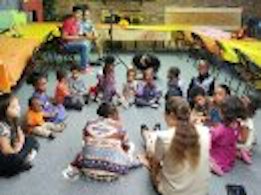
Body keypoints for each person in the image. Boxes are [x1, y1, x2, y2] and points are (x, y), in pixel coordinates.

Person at [141, 97, 210, 195]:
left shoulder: (164, 137)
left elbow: (155, 167)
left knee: (151, 151)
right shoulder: (205, 131)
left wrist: (149, 164)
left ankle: (147, 135)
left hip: (173, 192)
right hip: (201, 192)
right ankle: (149, 135)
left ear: (171, 115)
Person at [63, 103, 141, 181]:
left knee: (85, 146)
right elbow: (126, 146)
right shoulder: (119, 126)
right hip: (114, 170)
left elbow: (84, 140)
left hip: (87, 167)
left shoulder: (89, 123)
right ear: (110, 115)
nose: (119, 116)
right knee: (131, 145)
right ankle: (131, 161)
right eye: (117, 114)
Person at [0, 96, 39, 177]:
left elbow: (21, 134)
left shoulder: (14, 118)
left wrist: (20, 143)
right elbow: (6, 150)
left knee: (32, 139)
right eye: (13, 107)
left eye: (18, 105)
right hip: (4, 153)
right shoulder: (2, 127)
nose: (18, 108)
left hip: (13, 146)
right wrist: (16, 149)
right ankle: (22, 162)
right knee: (15, 160)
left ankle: (23, 159)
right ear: (4, 111)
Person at [210, 96, 247, 176]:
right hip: (230, 158)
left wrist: (210, 131)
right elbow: (236, 138)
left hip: (219, 158)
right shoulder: (237, 124)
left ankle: (214, 166)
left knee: (202, 154)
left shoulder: (221, 129)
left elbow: (210, 140)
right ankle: (240, 153)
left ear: (223, 114)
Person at [62, 5, 92, 72]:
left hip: (74, 42)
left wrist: (83, 35)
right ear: (73, 13)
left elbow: (77, 34)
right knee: (84, 46)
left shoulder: (77, 22)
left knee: (88, 42)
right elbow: (64, 37)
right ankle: (83, 67)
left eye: (81, 14)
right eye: (77, 13)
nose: (79, 15)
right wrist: (77, 37)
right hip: (67, 44)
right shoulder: (68, 22)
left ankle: (85, 63)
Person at [237, 95, 259, 164]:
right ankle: (244, 151)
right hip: (248, 142)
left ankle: (241, 153)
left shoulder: (246, 121)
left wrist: (233, 136)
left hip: (243, 144)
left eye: (244, 102)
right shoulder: (245, 118)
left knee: (226, 144)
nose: (241, 100)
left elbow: (243, 140)